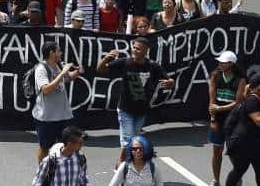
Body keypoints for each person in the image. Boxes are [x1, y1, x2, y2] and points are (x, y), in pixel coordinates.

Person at [97, 36, 175, 165]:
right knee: (127, 141)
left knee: (134, 140)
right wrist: (107, 58)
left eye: (138, 49)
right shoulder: (124, 62)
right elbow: (100, 69)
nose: (134, 50)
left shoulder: (153, 66)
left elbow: (169, 79)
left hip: (141, 111)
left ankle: (128, 165)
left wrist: (170, 82)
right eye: (133, 47)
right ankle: (121, 165)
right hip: (125, 109)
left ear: (146, 51)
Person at [32, 41, 81, 162]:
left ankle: (61, 169)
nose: (61, 53)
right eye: (58, 51)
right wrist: (62, 73)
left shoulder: (58, 65)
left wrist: (77, 72)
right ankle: (42, 173)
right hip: (47, 118)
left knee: (67, 145)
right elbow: (46, 90)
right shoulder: (41, 69)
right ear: (51, 53)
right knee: (45, 148)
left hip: (64, 116)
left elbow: (68, 77)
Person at [208, 50, 246, 186]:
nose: (220, 64)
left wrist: (221, 108)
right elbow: (212, 100)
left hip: (233, 120)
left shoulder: (241, 80)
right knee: (217, 151)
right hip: (218, 119)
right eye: (220, 62)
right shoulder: (214, 76)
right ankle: (216, 180)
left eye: (223, 62)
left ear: (231, 64)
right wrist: (213, 119)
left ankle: (236, 176)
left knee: (233, 152)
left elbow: (238, 102)